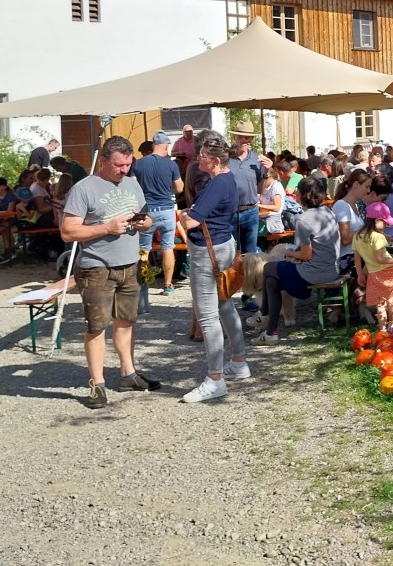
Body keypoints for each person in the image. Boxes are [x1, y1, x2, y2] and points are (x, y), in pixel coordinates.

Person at [59, 136, 160, 409]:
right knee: (96, 326)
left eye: (128, 164)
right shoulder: (84, 189)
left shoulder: (133, 184)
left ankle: (128, 373)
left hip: (129, 263)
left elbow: (146, 216)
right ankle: (97, 383)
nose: (124, 170)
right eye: (118, 165)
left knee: (126, 321)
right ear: (104, 161)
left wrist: (144, 223)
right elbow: (68, 232)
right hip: (96, 267)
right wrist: (106, 228)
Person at [175, 134, 250, 402]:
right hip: (222, 245)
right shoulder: (227, 177)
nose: (198, 158)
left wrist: (184, 214)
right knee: (225, 306)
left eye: (203, 155)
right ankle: (239, 362)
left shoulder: (216, 183)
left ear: (215, 161)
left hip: (208, 252)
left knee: (208, 317)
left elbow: (192, 221)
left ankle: (215, 379)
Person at [251, 174, 342, 344]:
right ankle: (270, 331)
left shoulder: (304, 220)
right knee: (272, 281)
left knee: (269, 268)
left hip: (316, 272)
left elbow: (305, 254)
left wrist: (289, 253)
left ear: (302, 195)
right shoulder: (327, 212)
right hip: (332, 268)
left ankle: (264, 315)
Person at [130, 131, 184, 295]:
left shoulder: (138, 164)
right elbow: (179, 188)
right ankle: (168, 285)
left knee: (144, 249)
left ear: (153, 145)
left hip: (146, 212)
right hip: (167, 210)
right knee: (168, 248)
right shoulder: (171, 165)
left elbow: (133, 186)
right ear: (166, 146)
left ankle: (144, 284)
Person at [353, 202, 393, 333]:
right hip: (386, 272)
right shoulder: (378, 237)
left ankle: (382, 329)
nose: (386, 225)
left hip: (373, 274)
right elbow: (380, 258)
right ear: (377, 220)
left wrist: (360, 274)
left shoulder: (357, 236)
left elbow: (357, 259)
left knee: (380, 303)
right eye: (385, 223)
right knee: (391, 298)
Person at [228, 121, 270, 255]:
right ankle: (234, 276)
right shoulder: (226, 158)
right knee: (231, 251)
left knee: (250, 253)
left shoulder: (257, 159)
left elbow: (260, 190)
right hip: (230, 211)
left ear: (251, 139)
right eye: (240, 137)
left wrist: (267, 172)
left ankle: (249, 277)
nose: (244, 140)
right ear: (235, 137)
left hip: (251, 211)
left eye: (247, 137)